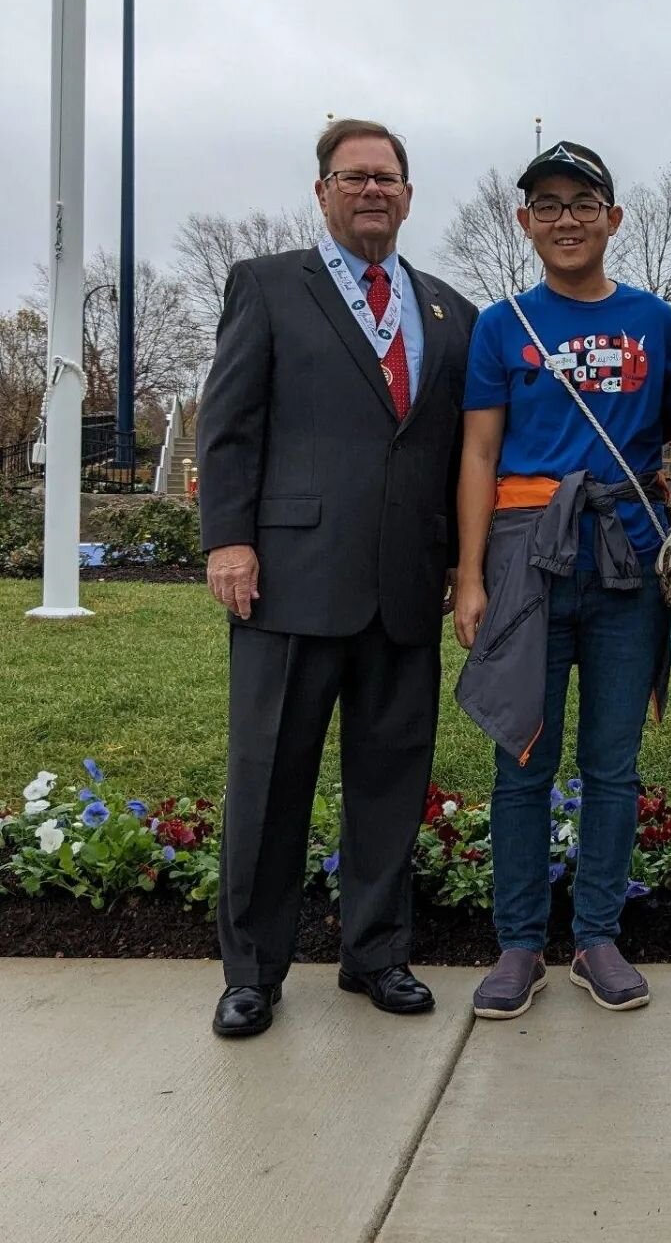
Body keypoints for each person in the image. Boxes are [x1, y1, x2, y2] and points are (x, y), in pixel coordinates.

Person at [199, 118, 477, 1037]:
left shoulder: (448, 309)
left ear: (408, 194)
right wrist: (228, 540)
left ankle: (376, 953)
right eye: (353, 176)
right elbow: (229, 423)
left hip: (403, 589)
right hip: (289, 579)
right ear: (321, 191)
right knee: (270, 777)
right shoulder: (270, 286)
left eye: (387, 177)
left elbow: (441, 447)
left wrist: (449, 554)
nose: (372, 190)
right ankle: (252, 971)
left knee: (391, 781)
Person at [454, 141, 671, 1019]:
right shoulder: (501, 324)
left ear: (614, 219)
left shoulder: (655, 321)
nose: (566, 220)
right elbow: (477, 450)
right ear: (525, 224)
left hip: (626, 559)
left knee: (612, 763)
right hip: (525, 562)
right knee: (522, 756)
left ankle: (595, 936)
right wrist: (470, 577)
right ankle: (519, 943)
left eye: (583, 204)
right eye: (547, 205)